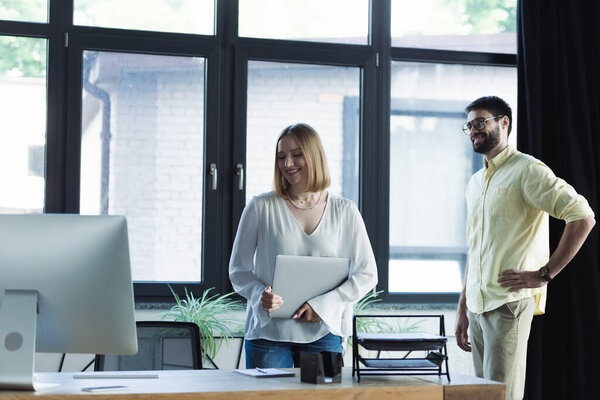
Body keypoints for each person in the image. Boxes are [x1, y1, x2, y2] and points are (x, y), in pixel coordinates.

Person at [454, 96, 595, 400]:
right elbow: (474, 248)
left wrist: (544, 274)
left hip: (508, 304)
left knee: (503, 396)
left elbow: (582, 217)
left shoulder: (527, 170)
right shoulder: (475, 182)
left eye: (481, 122)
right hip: (477, 306)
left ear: (504, 122)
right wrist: (462, 306)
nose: (474, 130)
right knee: (482, 396)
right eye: (469, 126)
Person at [229, 122, 378, 368]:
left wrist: (324, 305)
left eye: (296, 155)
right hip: (268, 335)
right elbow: (238, 271)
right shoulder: (260, 207)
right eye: (281, 157)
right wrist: (259, 295)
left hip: (323, 332)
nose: (287, 164)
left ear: (315, 157)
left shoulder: (346, 211)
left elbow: (367, 274)